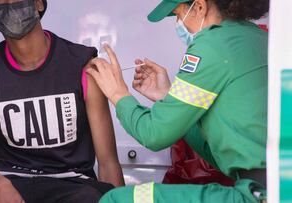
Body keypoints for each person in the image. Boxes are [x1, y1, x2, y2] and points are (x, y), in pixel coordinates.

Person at [0, 0, 124, 202]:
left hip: (72, 185)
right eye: (1, 3)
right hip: (8, 181)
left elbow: (107, 161)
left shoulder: (81, 65)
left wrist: (121, 199)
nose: (12, 8)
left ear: (39, 3)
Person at [86, 0, 269, 202]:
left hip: (257, 195)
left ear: (200, 6)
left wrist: (118, 94)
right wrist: (167, 96)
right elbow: (221, 153)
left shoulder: (212, 44)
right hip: (271, 187)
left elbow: (154, 135)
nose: (179, 24)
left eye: (179, 15)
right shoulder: (258, 38)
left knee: (115, 199)